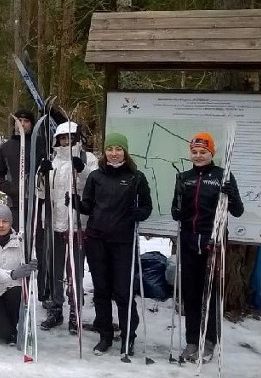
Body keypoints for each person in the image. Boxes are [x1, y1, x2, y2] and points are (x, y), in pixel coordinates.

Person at [70, 132, 152, 356]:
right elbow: (88, 206)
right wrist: (75, 203)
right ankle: (105, 335)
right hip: (97, 240)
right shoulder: (96, 177)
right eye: (109, 149)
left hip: (123, 242)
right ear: (104, 152)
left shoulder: (136, 178)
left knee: (123, 292)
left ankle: (128, 337)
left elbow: (147, 207)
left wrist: (139, 213)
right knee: (102, 291)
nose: (114, 153)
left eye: (118, 149)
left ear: (124, 151)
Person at [171, 132, 243, 363]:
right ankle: (192, 340)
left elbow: (238, 210)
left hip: (213, 241)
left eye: (203, 152)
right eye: (195, 152)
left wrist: (230, 195)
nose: (199, 156)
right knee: (190, 294)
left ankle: (210, 339)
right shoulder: (184, 177)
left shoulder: (223, 176)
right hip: (189, 240)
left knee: (210, 294)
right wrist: (179, 203)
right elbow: (176, 213)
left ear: (211, 153)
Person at [39, 121, 98, 332]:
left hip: (77, 224)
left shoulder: (88, 159)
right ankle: (55, 308)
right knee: (54, 268)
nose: (66, 142)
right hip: (55, 223)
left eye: (70, 138)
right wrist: (42, 175)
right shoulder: (54, 161)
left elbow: (94, 186)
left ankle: (76, 311)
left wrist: (81, 170)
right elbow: (41, 194)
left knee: (75, 271)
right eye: (63, 138)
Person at [0, 204, 36, 344]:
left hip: (12, 290)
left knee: (16, 292)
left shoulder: (20, 241)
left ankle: (10, 325)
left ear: (11, 223)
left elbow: (30, 263)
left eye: (5, 221)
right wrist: (13, 274)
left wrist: (33, 265)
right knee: (1, 332)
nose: (1, 225)